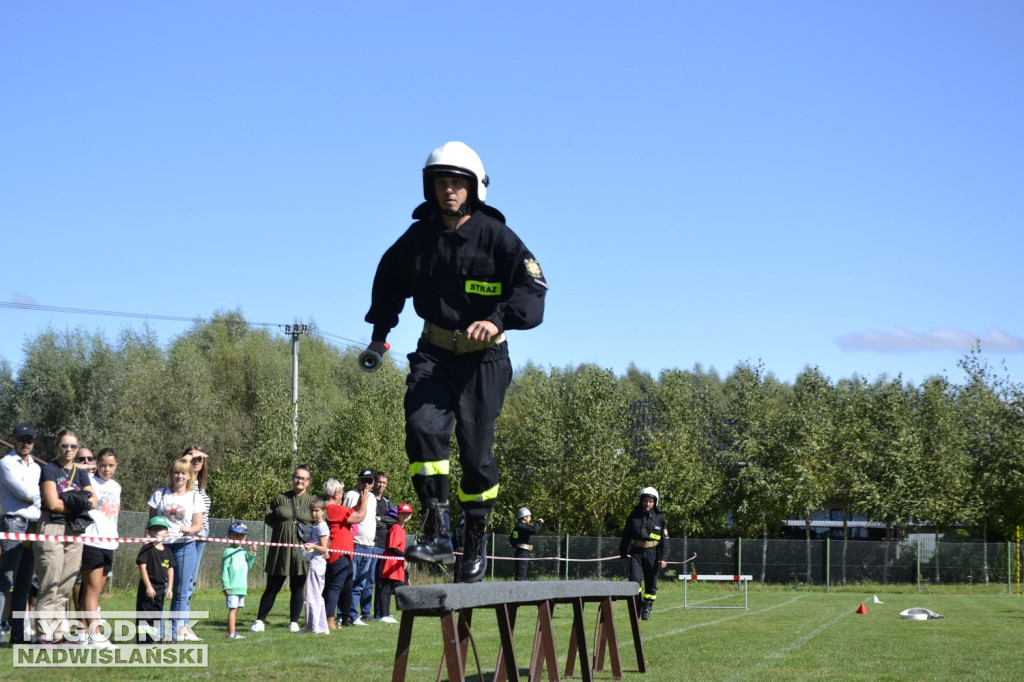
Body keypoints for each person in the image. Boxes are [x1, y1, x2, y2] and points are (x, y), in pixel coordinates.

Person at [363, 141, 548, 583]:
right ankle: (439, 529)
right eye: (442, 183)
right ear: (431, 188)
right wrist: (379, 336)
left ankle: (476, 539)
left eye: (458, 184)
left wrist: (498, 317)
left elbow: (534, 293)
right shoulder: (418, 238)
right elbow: (388, 281)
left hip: (485, 362)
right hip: (434, 354)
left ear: (474, 188)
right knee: (423, 428)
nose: (449, 191)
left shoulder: (497, 236)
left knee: (477, 457)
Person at [33, 428, 97, 644]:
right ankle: (43, 635)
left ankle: (58, 635)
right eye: (64, 445)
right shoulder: (50, 469)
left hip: (75, 530)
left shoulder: (79, 473)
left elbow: (94, 501)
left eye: (72, 446)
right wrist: (78, 504)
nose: (68, 449)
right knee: (50, 582)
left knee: (66, 585)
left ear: (77, 448)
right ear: (56, 447)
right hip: (52, 527)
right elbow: (52, 503)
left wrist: (73, 503)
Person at [147, 457, 206, 642]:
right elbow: (150, 524)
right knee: (160, 590)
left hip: (185, 546)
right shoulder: (160, 494)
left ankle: (174, 634)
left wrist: (189, 529)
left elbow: (198, 525)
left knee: (180, 592)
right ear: (171, 474)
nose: (179, 476)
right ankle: (159, 633)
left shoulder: (196, 497)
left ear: (189, 476)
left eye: (183, 472)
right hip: (161, 547)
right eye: (176, 472)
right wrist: (149, 543)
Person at [250, 464, 313, 633]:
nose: (300, 480)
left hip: (302, 551)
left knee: (298, 587)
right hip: (280, 551)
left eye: (303, 478)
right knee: (272, 587)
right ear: (293, 479)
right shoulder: (280, 499)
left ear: (308, 482)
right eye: (297, 477)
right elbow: (269, 518)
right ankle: (260, 621)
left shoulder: (313, 502)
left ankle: (294, 622)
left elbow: (319, 524)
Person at [0, 422, 42, 645]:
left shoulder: (35, 467)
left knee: (25, 583)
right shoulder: (6, 463)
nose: (25, 443)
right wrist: (44, 492)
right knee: (6, 580)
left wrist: (39, 493)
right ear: (13, 440)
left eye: (29, 439)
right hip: (14, 523)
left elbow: (32, 493)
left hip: (33, 526)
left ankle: (17, 635)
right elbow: (24, 492)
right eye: (21, 439)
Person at [78, 448, 121, 647]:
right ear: (97, 464)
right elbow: (69, 468)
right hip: (91, 540)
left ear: (116, 466)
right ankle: (96, 635)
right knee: (92, 589)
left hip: (109, 542)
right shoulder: (88, 480)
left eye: (111, 465)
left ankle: (84, 633)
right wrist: (88, 467)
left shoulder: (116, 487)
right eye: (102, 464)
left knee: (95, 590)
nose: (106, 469)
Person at [321, 478, 368, 629]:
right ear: (335, 494)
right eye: (341, 492)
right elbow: (359, 517)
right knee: (334, 587)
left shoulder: (331, 508)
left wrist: (359, 502)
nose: (342, 495)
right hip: (338, 553)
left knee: (345, 587)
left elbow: (351, 512)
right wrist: (365, 501)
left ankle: (345, 619)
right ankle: (329, 620)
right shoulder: (334, 508)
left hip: (344, 553)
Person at [618, 487, 669, 621]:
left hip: (653, 554)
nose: (648, 504)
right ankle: (638, 604)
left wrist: (664, 558)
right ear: (641, 501)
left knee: (651, 584)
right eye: (646, 501)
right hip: (636, 553)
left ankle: (647, 608)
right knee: (634, 581)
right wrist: (623, 555)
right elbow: (625, 537)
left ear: (655, 502)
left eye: (651, 501)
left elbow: (665, 540)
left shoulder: (660, 518)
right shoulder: (633, 516)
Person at [343, 468, 377, 624]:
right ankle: (346, 614)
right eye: (363, 480)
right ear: (358, 481)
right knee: (350, 580)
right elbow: (345, 517)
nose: (366, 484)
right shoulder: (351, 495)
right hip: (355, 544)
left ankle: (353, 614)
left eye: (369, 481)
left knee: (360, 583)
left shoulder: (373, 498)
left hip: (369, 545)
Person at [136, 516, 175, 644]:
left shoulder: (168, 551)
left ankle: (154, 639)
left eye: (161, 529)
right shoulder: (146, 549)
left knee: (156, 614)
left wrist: (169, 588)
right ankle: (144, 641)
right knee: (145, 614)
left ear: (167, 533)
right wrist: (148, 586)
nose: (158, 532)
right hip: (148, 588)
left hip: (160, 588)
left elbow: (170, 570)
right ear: (150, 532)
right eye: (155, 529)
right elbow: (142, 567)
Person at [182, 446, 212, 600]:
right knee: (183, 580)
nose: (197, 461)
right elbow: (178, 466)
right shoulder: (183, 481)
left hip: (201, 536)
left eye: (200, 459)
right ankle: (178, 618)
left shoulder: (201, 486)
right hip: (187, 535)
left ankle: (183, 618)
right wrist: (190, 456)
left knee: (192, 580)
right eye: (193, 458)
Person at [221, 521, 257, 640]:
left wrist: (252, 554)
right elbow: (224, 570)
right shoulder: (228, 551)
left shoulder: (243, 552)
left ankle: (230, 632)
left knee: (235, 610)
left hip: (242, 587)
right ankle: (232, 633)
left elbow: (249, 566)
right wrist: (226, 585)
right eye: (235, 535)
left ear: (245, 537)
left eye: (241, 536)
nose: (238, 538)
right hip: (232, 587)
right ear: (229, 536)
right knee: (233, 609)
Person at [378, 503, 413, 624]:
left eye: (407, 514)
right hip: (391, 560)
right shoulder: (396, 528)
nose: (405, 516)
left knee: (391, 588)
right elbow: (392, 547)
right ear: (398, 514)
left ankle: (386, 614)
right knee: (386, 587)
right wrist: (405, 556)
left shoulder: (401, 529)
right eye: (403, 513)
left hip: (396, 561)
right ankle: (383, 615)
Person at [301, 499, 330, 634]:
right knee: (316, 595)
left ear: (323, 511)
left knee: (312, 595)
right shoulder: (316, 526)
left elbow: (324, 548)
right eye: (312, 510)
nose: (314, 513)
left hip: (317, 562)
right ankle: (320, 627)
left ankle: (313, 627)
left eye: (317, 510)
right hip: (315, 561)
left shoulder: (322, 526)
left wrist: (312, 546)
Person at [371, 471, 394, 620]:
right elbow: (371, 520)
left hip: (386, 546)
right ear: (375, 482)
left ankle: (381, 613)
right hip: (373, 545)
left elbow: (395, 519)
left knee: (383, 581)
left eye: (384, 483)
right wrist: (382, 522)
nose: (381, 485)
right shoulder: (369, 499)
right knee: (368, 581)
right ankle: (365, 613)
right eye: (379, 482)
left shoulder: (387, 501)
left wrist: (381, 519)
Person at [510, 507, 544, 582]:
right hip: (522, 553)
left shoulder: (518, 527)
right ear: (524, 517)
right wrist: (539, 522)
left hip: (521, 552)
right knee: (521, 576)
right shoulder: (521, 527)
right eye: (529, 517)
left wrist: (517, 545)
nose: (530, 519)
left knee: (521, 574)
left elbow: (512, 540)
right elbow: (533, 530)